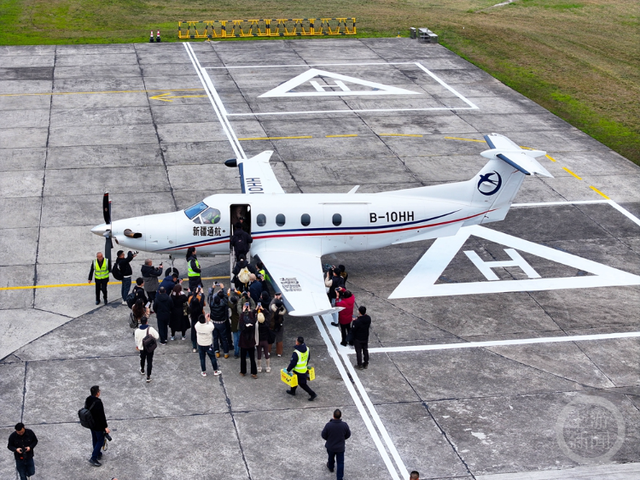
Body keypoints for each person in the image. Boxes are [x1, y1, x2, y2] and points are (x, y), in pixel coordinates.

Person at [321, 409, 351, 480]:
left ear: (333, 416)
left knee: (330, 457)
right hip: (340, 448)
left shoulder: (329, 425)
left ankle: (331, 467)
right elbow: (348, 434)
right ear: (340, 416)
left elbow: (323, 435)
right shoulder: (344, 425)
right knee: (340, 463)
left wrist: (329, 439)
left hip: (330, 446)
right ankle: (339, 478)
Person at [285, 336, 317, 401]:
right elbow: (308, 358)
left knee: (302, 384)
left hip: (298, 370)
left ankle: (312, 394)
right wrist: (305, 364)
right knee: (294, 380)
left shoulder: (296, 352)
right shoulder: (307, 349)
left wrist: (288, 370)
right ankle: (292, 391)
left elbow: (293, 363)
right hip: (303, 369)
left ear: (297, 343)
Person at [85, 385, 110, 467]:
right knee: (100, 440)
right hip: (98, 425)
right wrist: (105, 427)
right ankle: (94, 457)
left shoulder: (88, 399)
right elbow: (101, 416)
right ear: (97, 393)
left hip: (91, 423)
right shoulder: (98, 402)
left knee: (94, 439)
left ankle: (98, 453)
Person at [134, 316, 159, 382]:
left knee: (142, 359)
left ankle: (142, 369)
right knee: (149, 361)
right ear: (147, 322)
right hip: (149, 348)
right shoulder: (150, 329)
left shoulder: (137, 331)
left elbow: (136, 340)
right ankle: (148, 376)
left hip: (141, 348)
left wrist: (138, 346)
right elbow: (157, 336)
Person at [238, 301, 257, 378]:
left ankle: (243, 371)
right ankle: (254, 372)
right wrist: (249, 311)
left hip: (243, 343)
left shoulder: (243, 327)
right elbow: (253, 320)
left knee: (243, 358)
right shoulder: (252, 325)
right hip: (251, 342)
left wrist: (243, 312)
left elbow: (241, 322)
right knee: (252, 358)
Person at [209, 286, 230, 358]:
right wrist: (223, 288)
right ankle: (226, 352)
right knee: (224, 338)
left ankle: (217, 351)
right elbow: (226, 298)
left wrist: (212, 288)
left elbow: (209, 297)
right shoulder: (223, 305)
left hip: (214, 322)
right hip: (222, 323)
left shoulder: (212, 305)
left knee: (215, 338)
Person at [188, 286, 206, 352]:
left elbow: (192, 299)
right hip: (200, 320)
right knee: (201, 332)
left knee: (193, 332)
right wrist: (202, 292)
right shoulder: (200, 307)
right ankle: (201, 345)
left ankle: (194, 347)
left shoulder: (191, 307)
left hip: (193, 320)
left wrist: (194, 293)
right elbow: (202, 300)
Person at [268, 292, 286, 357]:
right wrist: (280, 299)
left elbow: (270, 307)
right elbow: (283, 306)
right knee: (279, 339)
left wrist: (275, 299)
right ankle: (279, 352)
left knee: (270, 338)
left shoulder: (273, 309)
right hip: (280, 325)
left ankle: (268, 351)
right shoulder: (281, 311)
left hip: (272, 325)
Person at [255, 306, 271, 373]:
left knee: (259, 354)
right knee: (266, 354)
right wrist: (263, 309)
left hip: (259, 340)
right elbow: (268, 314)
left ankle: (259, 367)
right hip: (265, 341)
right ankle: (267, 367)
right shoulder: (266, 324)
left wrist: (255, 310)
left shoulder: (256, 325)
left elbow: (252, 316)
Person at [228, 289, 241, 358]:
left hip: (234, 324)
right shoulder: (239, 306)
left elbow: (226, 301)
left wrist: (228, 293)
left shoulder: (232, 307)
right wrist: (237, 292)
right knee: (240, 338)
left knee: (235, 339)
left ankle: (236, 353)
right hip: (240, 324)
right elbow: (243, 297)